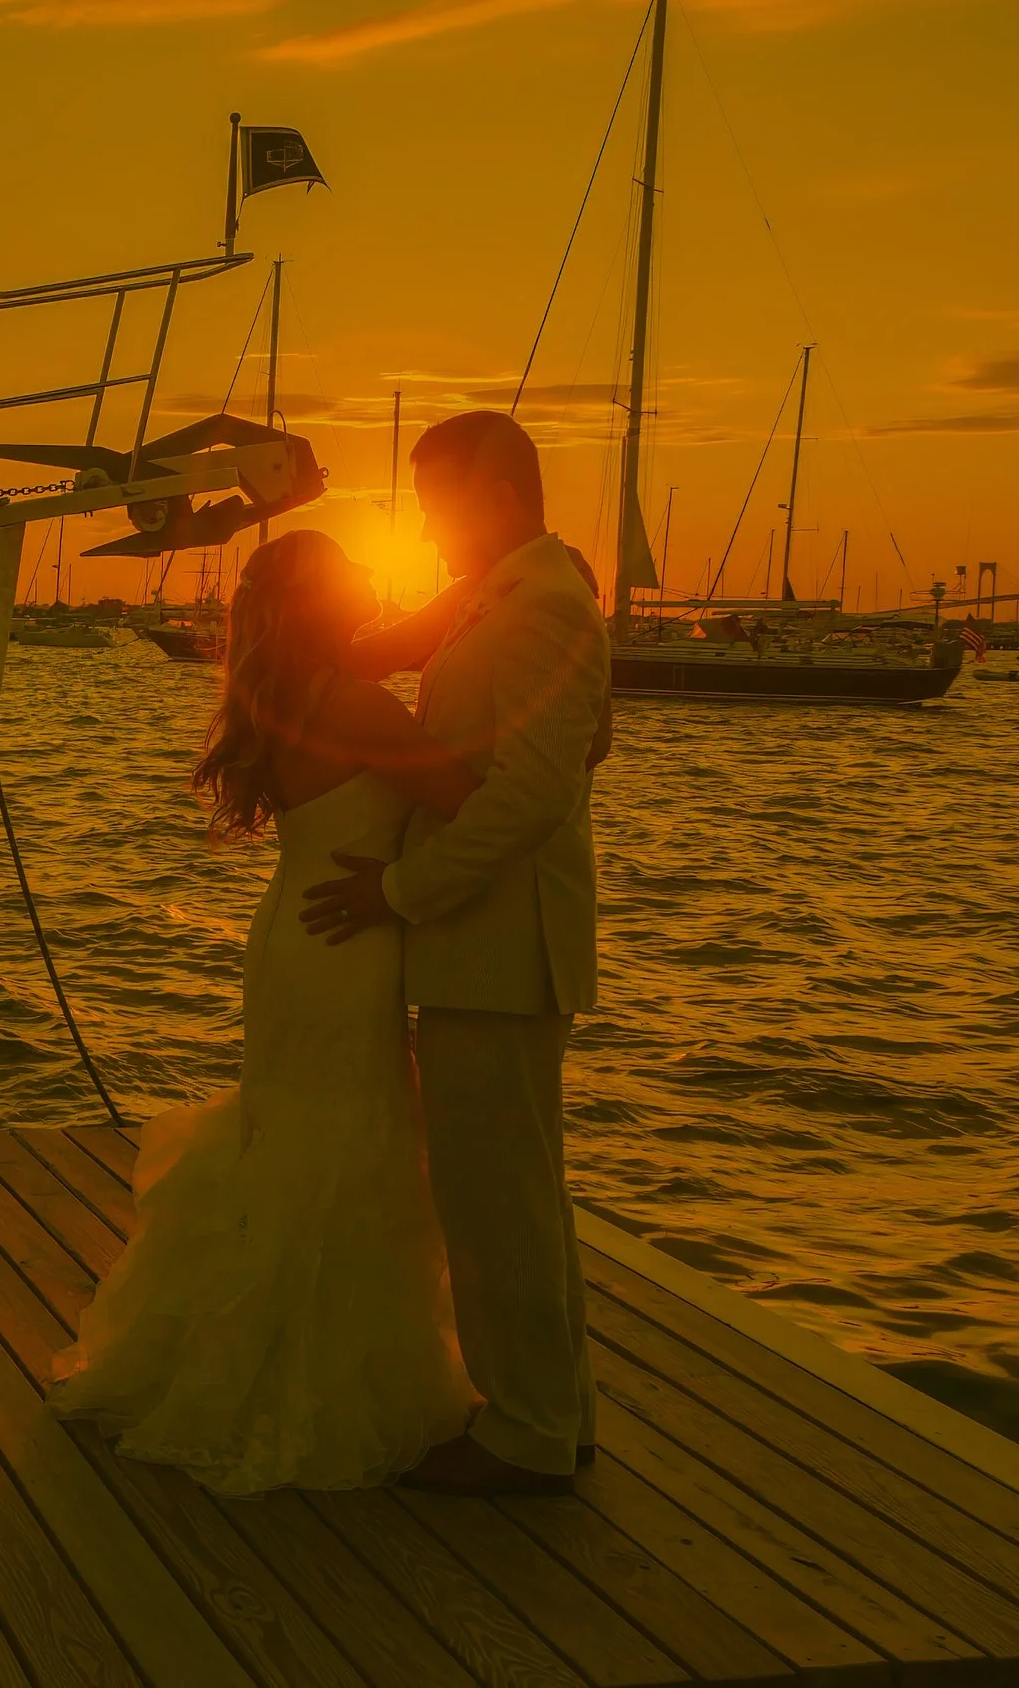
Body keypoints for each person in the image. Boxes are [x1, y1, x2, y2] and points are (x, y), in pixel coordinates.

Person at [45, 526, 482, 1495]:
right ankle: (311, 1378)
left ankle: (242, 1354)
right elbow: (464, 794)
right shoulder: (358, 707)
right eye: (355, 570)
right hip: (347, 941)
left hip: (291, 935)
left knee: (289, 1135)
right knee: (347, 1144)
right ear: (324, 601)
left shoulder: (277, 698)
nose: (373, 573)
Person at [304, 409, 609, 1496]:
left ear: (491, 498)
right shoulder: (508, 594)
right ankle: (551, 1413)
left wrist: (397, 891)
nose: (428, 532)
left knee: (499, 1204)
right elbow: (404, 636)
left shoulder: (542, 612)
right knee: (512, 1194)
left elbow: (531, 796)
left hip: (499, 946)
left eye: (438, 508)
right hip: (489, 946)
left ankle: (526, 1435)